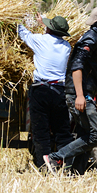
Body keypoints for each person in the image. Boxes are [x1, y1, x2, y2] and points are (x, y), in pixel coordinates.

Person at [44, 5, 97, 174]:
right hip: (79, 95)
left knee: (86, 135)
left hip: (88, 94)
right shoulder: (90, 40)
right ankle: (56, 157)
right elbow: (77, 67)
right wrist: (80, 96)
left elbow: (92, 73)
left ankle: (76, 173)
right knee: (95, 135)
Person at [18, 14, 74, 169]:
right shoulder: (67, 47)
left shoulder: (39, 40)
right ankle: (66, 165)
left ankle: (44, 165)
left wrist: (16, 19)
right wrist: (44, 24)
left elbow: (23, 33)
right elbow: (51, 39)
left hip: (41, 90)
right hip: (59, 91)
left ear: (49, 28)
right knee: (62, 131)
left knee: (40, 131)